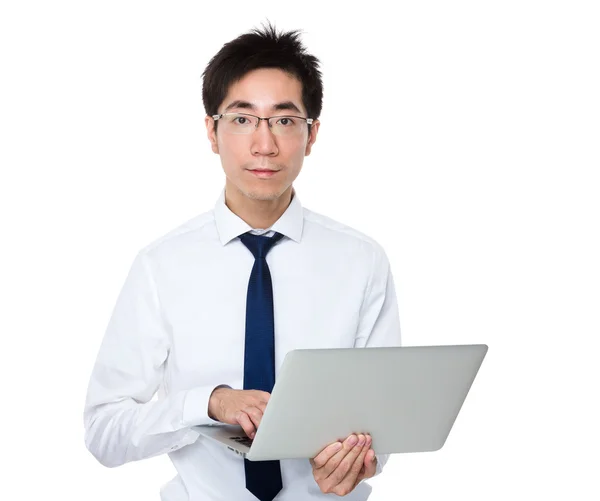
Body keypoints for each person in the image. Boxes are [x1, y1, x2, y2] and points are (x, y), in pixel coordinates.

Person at [83, 21, 402, 501]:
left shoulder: (361, 262)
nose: (264, 145)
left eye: (285, 120)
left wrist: (360, 459)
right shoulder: (160, 266)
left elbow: (385, 423)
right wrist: (206, 403)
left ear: (311, 134)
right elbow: (103, 431)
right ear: (212, 131)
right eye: (242, 118)